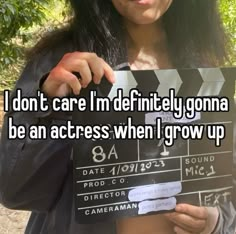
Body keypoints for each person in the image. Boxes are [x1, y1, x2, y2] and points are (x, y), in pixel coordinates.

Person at [0, 0, 236, 233]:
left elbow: (225, 187)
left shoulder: (206, 67)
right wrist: (46, 103)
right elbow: (14, 192)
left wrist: (216, 222)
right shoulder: (60, 63)